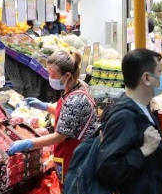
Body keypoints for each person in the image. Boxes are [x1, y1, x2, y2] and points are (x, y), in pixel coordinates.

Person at [95, 49, 162, 194]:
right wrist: (143, 151)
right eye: (159, 73)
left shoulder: (143, 109)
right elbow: (107, 168)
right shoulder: (124, 117)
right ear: (146, 78)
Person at [10, 50, 97, 184]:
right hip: (72, 154)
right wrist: (44, 106)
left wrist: (28, 143)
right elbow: (66, 113)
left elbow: (60, 136)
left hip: (75, 157)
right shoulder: (77, 85)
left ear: (67, 75)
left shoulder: (76, 100)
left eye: (53, 75)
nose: (50, 78)